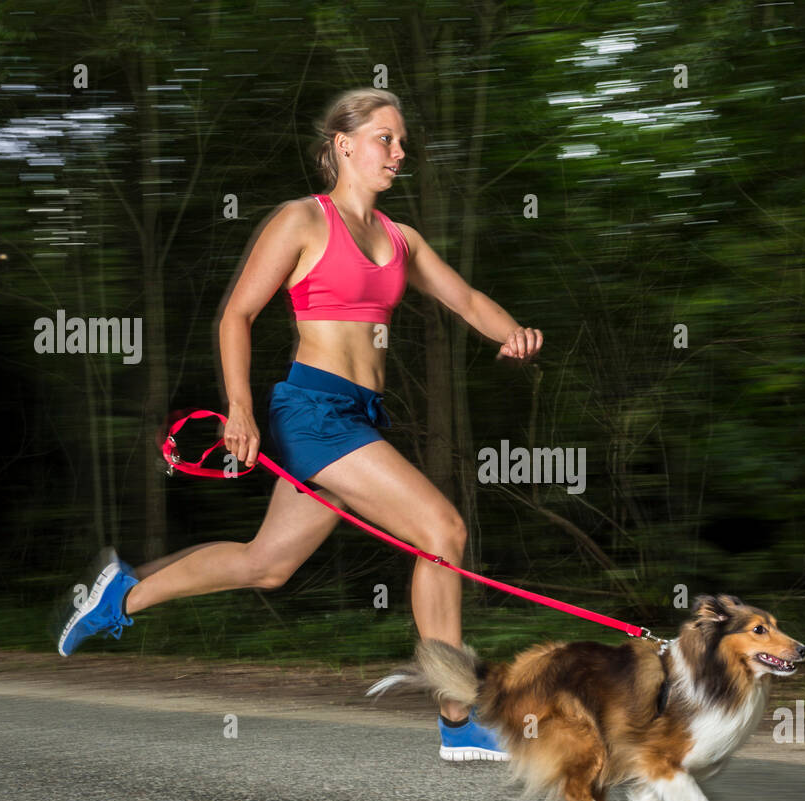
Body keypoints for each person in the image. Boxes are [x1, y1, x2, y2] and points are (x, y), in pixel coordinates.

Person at [57, 87, 543, 762]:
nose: (399, 153)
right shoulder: (302, 221)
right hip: (312, 410)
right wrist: (240, 407)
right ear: (344, 145)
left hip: (359, 415)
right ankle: (459, 713)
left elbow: (465, 299)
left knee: (267, 565)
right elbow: (236, 314)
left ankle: (121, 598)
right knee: (442, 531)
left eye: (402, 142)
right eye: (385, 139)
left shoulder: (402, 239)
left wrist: (513, 331)